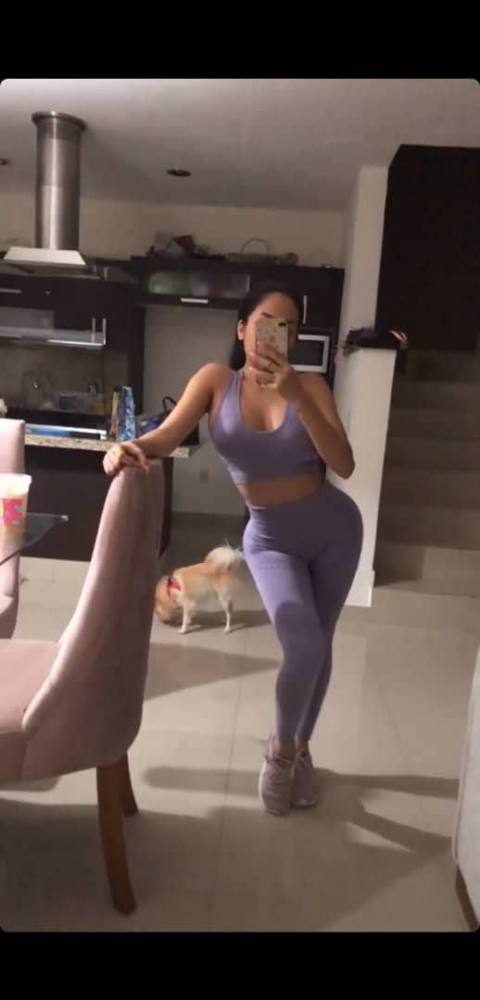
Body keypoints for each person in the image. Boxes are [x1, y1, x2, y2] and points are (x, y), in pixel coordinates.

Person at [104, 284, 363, 816]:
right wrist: (131, 447)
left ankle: (300, 750)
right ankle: (280, 752)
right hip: (269, 541)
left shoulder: (311, 386)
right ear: (242, 328)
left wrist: (297, 398)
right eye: (266, 322)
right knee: (303, 647)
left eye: (288, 328)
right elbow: (169, 435)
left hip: (335, 530)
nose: (276, 334)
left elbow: (344, 463)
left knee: (321, 644)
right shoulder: (215, 381)